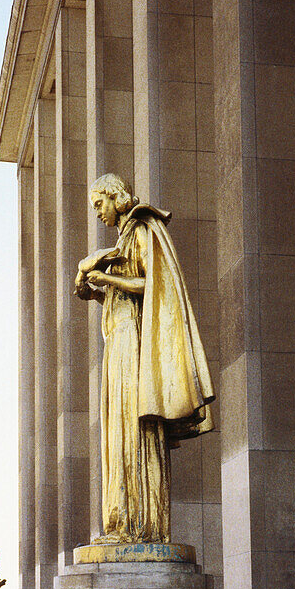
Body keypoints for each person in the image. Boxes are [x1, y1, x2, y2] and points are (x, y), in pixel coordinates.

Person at [75, 173, 215, 543]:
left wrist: (109, 281)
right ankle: (120, 521)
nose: (98, 214)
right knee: (119, 428)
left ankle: (141, 526)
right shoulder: (121, 241)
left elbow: (153, 285)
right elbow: (125, 293)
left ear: (115, 197)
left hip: (136, 342)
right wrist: (94, 292)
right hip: (118, 341)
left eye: (99, 204)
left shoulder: (141, 229)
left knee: (134, 425)